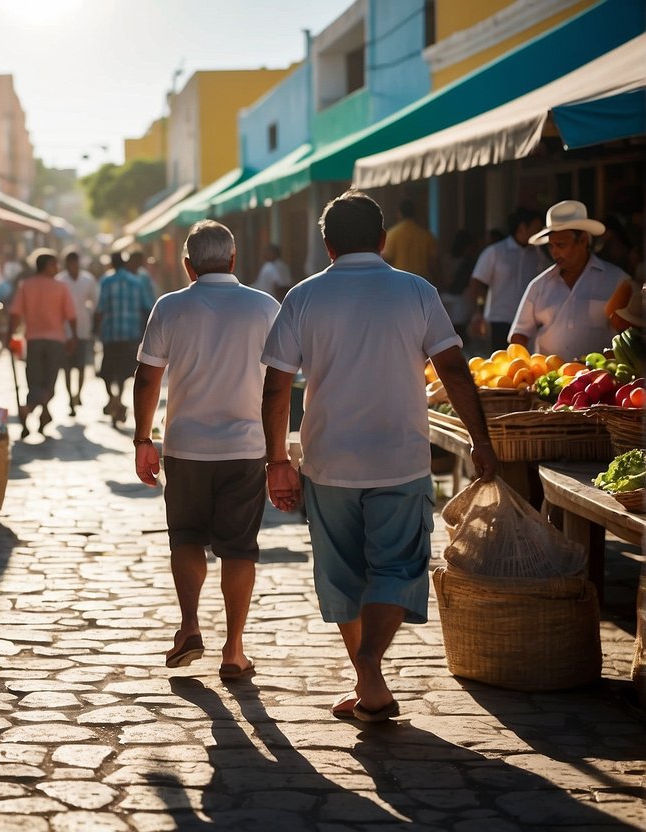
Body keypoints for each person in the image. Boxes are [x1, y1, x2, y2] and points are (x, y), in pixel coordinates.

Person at [261, 189, 496, 723]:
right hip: (401, 457)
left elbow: (276, 388)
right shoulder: (415, 290)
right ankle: (370, 668)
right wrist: (481, 440)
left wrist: (278, 458)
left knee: (344, 576)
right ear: (384, 239)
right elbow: (455, 369)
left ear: (327, 245)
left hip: (328, 461)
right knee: (397, 565)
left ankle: (369, 680)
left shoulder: (302, 297)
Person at [133, 220, 279, 680]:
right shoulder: (264, 307)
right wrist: (279, 454)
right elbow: (281, 383)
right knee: (239, 549)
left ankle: (190, 627)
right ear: (234, 261)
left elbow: (147, 377)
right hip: (245, 447)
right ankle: (233, 651)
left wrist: (143, 438)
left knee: (186, 538)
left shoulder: (171, 306)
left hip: (186, 447)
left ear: (187, 264)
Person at [510, 200, 628, 360]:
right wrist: (523, 368)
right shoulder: (538, 285)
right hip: (548, 379)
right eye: (551, 246)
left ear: (583, 241)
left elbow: (631, 334)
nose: (555, 252)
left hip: (599, 380)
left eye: (561, 245)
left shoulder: (617, 280)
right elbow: (519, 334)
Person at [9, 250, 77, 438]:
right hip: (56, 341)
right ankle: (30, 409)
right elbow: (71, 316)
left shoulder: (26, 286)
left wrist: (10, 334)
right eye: (55, 264)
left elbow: (15, 313)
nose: (58, 268)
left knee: (35, 381)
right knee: (49, 383)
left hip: (33, 339)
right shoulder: (60, 287)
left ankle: (43, 413)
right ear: (47, 266)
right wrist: (73, 337)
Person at [465, 208, 549, 348]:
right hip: (499, 320)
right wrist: (477, 312)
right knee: (499, 365)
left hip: (528, 323)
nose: (540, 232)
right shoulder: (495, 252)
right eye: (537, 228)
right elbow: (476, 283)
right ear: (522, 228)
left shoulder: (539, 255)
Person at [96, 251, 155, 426]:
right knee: (123, 372)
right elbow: (147, 307)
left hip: (111, 334)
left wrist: (96, 330)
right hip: (130, 335)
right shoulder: (137, 282)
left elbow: (100, 308)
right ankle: (118, 398)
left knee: (107, 371)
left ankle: (112, 398)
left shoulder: (106, 281)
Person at [56, 250, 99, 415]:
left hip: (83, 329)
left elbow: (95, 302)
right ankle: (69, 397)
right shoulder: (60, 280)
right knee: (66, 367)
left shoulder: (88, 280)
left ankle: (78, 394)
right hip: (65, 330)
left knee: (81, 366)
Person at [382, 198, 437, 284]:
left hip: (400, 280)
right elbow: (433, 263)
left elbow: (387, 258)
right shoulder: (426, 235)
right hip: (422, 281)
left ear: (399, 214)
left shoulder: (392, 234)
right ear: (415, 213)